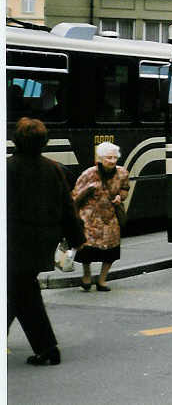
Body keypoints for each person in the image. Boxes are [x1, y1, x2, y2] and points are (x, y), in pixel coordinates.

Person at [7, 117, 86, 366]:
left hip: (11, 243)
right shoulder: (54, 169)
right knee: (22, 293)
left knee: (15, 292)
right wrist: (77, 238)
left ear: (16, 140)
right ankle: (48, 349)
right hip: (40, 244)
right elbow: (67, 208)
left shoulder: (8, 169)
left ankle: (48, 348)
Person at [72, 142, 130, 292]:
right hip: (90, 217)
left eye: (114, 157)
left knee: (111, 251)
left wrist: (119, 197)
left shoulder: (122, 173)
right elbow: (76, 195)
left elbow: (125, 189)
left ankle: (102, 280)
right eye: (108, 157)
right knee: (87, 249)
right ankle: (87, 275)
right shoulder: (89, 174)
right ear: (100, 158)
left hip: (110, 217)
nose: (112, 161)